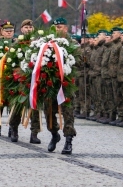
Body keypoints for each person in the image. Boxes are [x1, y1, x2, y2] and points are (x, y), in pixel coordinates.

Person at [44, 17, 76, 155]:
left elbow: (78, 63)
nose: (58, 29)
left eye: (61, 27)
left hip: (66, 84)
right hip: (51, 84)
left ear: (66, 28)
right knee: (48, 112)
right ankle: (54, 134)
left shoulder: (72, 44)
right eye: (56, 27)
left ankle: (68, 140)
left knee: (67, 113)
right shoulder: (48, 43)